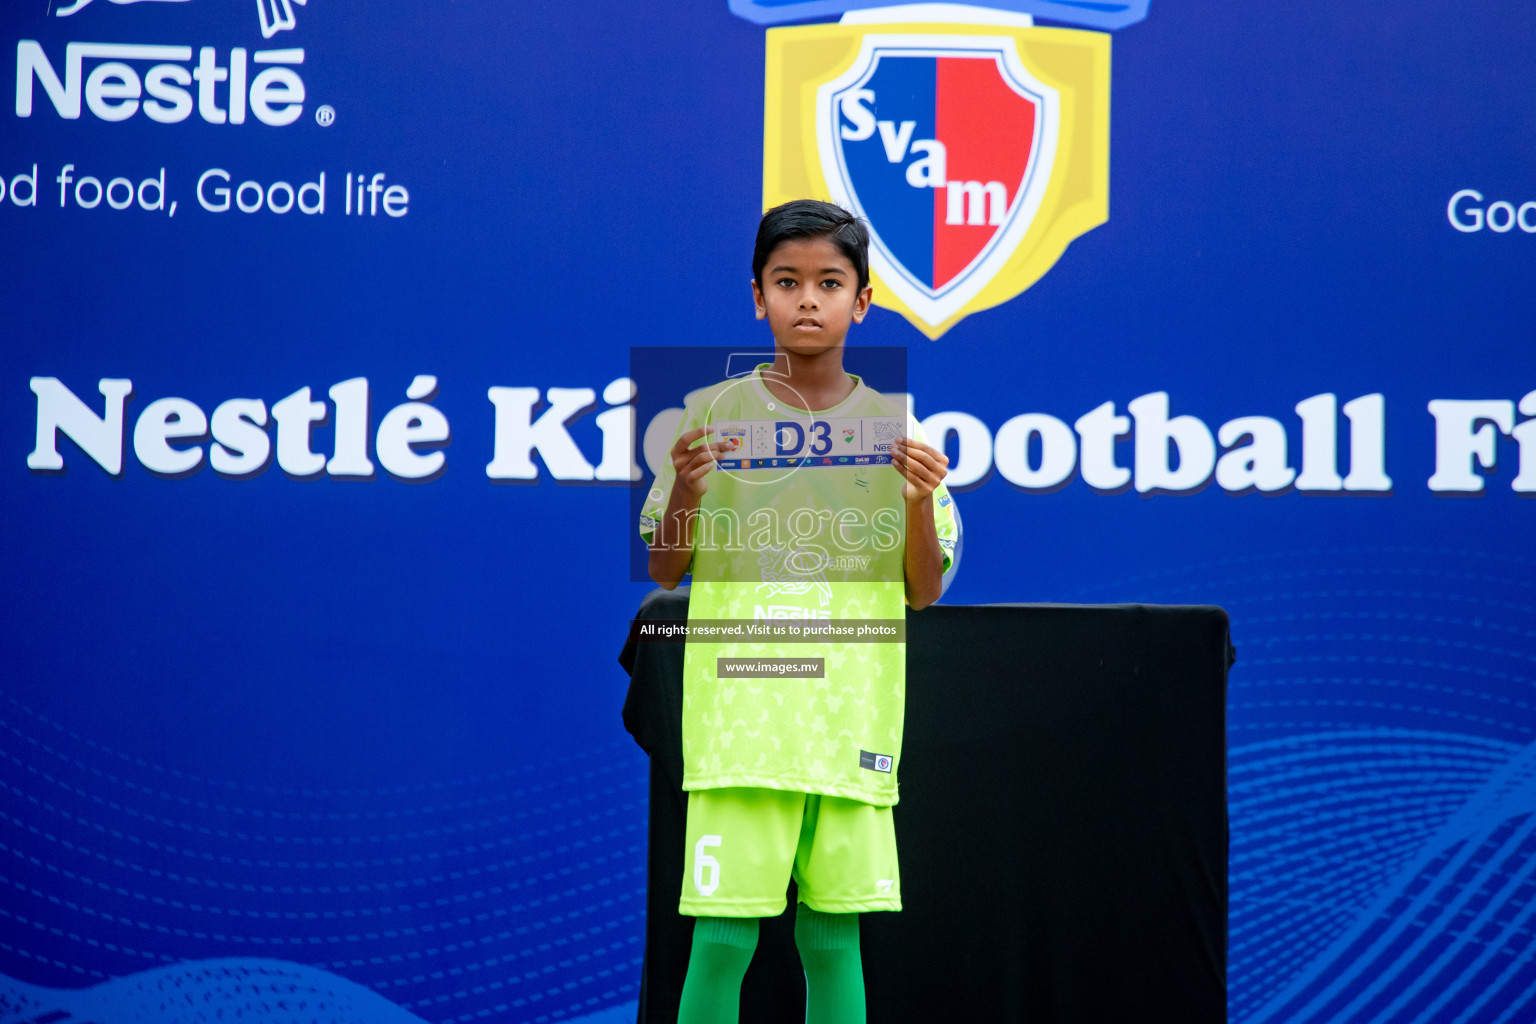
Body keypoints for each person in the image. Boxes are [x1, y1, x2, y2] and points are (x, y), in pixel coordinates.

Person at [639, 200, 957, 1023]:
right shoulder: (710, 416)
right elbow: (666, 569)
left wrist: (918, 501)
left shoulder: (895, 428)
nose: (807, 300)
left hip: (849, 723)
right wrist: (685, 490)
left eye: (828, 282)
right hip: (745, 721)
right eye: (787, 282)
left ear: (863, 302)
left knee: (833, 941)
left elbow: (923, 590)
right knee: (720, 942)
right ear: (758, 298)